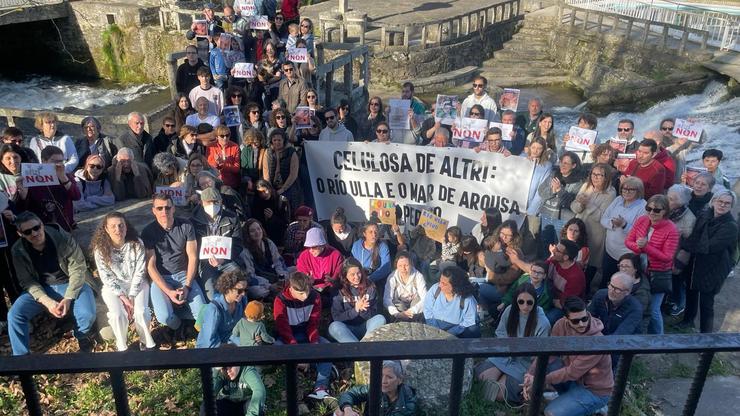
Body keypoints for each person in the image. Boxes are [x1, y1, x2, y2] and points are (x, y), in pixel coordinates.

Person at [8, 212, 96, 355]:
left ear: (42, 225)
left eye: (36, 227)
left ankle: (82, 337)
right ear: (20, 233)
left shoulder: (62, 238)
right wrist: (47, 301)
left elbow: (78, 268)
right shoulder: (18, 250)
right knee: (15, 315)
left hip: (69, 282)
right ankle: (21, 358)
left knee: (87, 313)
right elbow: (27, 281)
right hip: (41, 288)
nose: (34, 233)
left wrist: (68, 298)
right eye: (28, 231)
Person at [522, 297, 613, 416]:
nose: (581, 324)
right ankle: (570, 400)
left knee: (551, 413)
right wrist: (530, 374)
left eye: (584, 318)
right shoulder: (561, 325)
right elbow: (549, 353)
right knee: (545, 365)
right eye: (575, 321)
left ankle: (595, 406)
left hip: (594, 391)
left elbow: (572, 372)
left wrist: (538, 381)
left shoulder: (596, 342)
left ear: (588, 314)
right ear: (566, 319)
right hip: (576, 381)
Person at [142, 194, 205, 341]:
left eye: (167, 207)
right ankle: (180, 326)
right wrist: (169, 292)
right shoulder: (148, 232)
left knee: (202, 313)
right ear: (154, 211)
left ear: (173, 208)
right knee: (165, 317)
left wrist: (187, 286)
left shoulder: (186, 226)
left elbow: (193, 256)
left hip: (183, 274)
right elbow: (151, 266)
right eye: (160, 208)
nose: (164, 211)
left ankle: (202, 338)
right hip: (162, 277)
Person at [91, 212, 157, 351]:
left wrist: (131, 295)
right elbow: (106, 276)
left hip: (137, 283)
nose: (118, 230)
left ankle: (146, 342)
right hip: (113, 287)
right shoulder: (100, 249)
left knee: (141, 311)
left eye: (121, 225)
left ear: (126, 227)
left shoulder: (136, 244)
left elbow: (140, 271)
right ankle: (122, 345)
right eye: (113, 226)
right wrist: (122, 297)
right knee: (117, 314)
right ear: (106, 229)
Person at [476, 284, 550, 404]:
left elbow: (539, 355)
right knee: (482, 378)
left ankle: (506, 387)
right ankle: (495, 384)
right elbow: (500, 332)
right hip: (505, 354)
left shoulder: (543, 323)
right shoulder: (510, 310)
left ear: (535, 302)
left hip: (524, 363)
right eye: (521, 302)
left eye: (529, 302)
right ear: (516, 301)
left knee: (499, 394)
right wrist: (508, 346)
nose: (525, 306)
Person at [678, 190, 738, 333]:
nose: (722, 205)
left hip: (715, 267)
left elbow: (709, 247)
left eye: (727, 203)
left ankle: (706, 337)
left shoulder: (731, 226)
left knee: (706, 303)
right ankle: (687, 321)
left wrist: (687, 244)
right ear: (714, 201)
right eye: (720, 201)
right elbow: (695, 238)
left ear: (731, 206)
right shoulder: (705, 215)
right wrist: (690, 243)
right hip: (697, 261)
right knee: (691, 292)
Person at [273, 272, 334, 399]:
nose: (305, 295)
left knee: (327, 348)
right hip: (287, 338)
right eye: (301, 293)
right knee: (277, 349)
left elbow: (313, 324)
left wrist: (312, 348)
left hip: (307, 335)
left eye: (307, 291)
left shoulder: (315, 297)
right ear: (291, 288)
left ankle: (321, 387)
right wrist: (299, 354)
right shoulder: (280, 300)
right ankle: (292, 384)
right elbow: (283, 329)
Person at [625, 194, 679, 335]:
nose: (651, 213)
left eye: (656, 210)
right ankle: (636, 332)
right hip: (640, 269)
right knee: (636, 303)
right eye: (649, 208)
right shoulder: (642, 220)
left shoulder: (671, 229)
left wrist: (646, 247)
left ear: (665, 211)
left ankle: (658, 339)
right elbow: (628, 241)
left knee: (654, 309)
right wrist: (638, 247)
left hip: (658, 273)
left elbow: (668, 257)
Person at [508, 239, 586, 324]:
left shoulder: (575, 278)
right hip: (549, 296)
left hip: (563, 307)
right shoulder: (554, 260)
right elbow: (537, 269)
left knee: (545, 320)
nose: (553, 251)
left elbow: (565, 304)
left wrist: (548, 299)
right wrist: (517, 260)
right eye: (556, 247)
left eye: (557, 250)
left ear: (566, 257)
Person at [191, 187, 244, 301]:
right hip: (205, 263)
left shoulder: (232, 218)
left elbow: (238, 244)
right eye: (208, 202)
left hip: (226, 261)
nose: (212, 205)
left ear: (221, 201)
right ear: (201, 202)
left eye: (215, 202)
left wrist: (223, 259)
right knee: (211, 294)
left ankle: (242, 312)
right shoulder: (193, 221)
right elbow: (192, 246)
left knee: (240, 286)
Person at [17, 146, 80, 232]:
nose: (59, 164)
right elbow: (26, 207)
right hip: (42, 228)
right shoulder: (32, 179)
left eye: (61, 161)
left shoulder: (67, 176)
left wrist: (63, 178)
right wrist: (23, 195)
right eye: (54, 161)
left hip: (65, 227)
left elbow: (76, 196)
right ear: (43, 161)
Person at [571, 163, 616, 284]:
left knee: (590, 263)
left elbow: (602, 217)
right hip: (579, 231)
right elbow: (574, 207)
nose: (595, 177)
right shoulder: (586, 186)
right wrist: (580, 204)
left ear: (606, 177)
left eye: (600, 175)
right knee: (575, 258)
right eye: (593, 174)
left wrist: (588, 204)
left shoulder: (610, 193)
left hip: (595, 234)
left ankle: (585, 289)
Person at [599, 176, 646, 288]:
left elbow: (639, 234)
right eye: (624, 189)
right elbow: (603, 219)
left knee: (621, 284)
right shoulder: (618, 200)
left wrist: (624, 225)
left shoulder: (643, 207)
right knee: (606, 279)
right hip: (610, 250)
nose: (626, 192)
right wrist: (612, 224)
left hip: (626, 255)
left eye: (631, 189)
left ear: (638, 191)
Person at [329, 258, 387, 342]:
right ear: (345, 275)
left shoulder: (370, 286)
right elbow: (337, 318)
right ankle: (361, 349)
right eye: (352, 274)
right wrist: (355, 310)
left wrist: (364, 310)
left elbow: (374, 313)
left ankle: (362, 347)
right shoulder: (338, 289)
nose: (356, 277)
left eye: (358, 273)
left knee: (380, 318)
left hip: (365, 327)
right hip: (347, 329)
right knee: (334, 326)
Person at [334, 360, 417, 416]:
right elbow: (350, 394)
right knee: (340, 412)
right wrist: (347, 409)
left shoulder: (408, 404)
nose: (383, 381)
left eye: (389, 377)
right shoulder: (375, 388)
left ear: (400, 380)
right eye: (381, 375)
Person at [538, 151, 585, 247]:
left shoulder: (579, 183)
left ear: (574, 165)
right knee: (544, 243)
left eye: (566, 163)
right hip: (547, 215)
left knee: (560, 245)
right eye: (561, 162)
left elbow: (571, 204)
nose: (562, 165)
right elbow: (541, 192)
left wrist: (559, 189)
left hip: (564, 220)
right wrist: (553, 191)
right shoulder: (553, 175)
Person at [478, 220, 524, 313]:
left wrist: (491, 275)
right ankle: (485, 312)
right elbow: (485, 258)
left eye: (508, 235)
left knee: (477, 288)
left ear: (514, 236)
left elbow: (508, 278)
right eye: (502, 233)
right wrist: (481, 256)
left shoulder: (515, 252)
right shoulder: (496, 243)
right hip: (490, 282)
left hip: (502, 290)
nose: (504, 237)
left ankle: (486, 312)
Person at [423, 265, 480, 338]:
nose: (440, 285)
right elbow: (427, 310)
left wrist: (450, 332)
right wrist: (435, 329)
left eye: (444, 284)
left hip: (458, 329)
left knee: (472, 330)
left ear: (456, 285)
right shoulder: (435, 290)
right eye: (440, 281)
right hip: (436, 326)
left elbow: (469, 321)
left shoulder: (467, 299)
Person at [196, 270, 248, 348]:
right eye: (239, 290)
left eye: (245, 290)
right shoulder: (214, 309)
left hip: (231, 337)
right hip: (213, 345)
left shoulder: (242, 301)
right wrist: (229, 347)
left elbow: (245, 324)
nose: (243, 293)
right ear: (228, 289)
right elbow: (208, 341)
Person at [665, 184, 696, 317]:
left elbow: (687, 243)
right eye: (668, 197)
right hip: (666, 251)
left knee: (677, 280)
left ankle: (679, 303)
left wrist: (679, 262)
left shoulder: (689, 218)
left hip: (677, 254)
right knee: (669, 278)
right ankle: (670, 298)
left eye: (672, 199)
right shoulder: (669, 210)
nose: (668, 201)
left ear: (681, 201)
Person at [521, 138, 553, 257]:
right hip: (517, 205)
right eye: (533, 147)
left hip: (534, 208)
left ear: (543, 150)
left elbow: (542, 190)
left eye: (539, 148)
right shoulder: (522, 159)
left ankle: (528, 262)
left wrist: (531, 210)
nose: (535, 151)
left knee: (531, 236)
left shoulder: (547, 166)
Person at [263, 129, 302, 212]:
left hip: (289, 187)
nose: (277, 142)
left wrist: (283, 189)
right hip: (272, 187)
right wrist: (270, 189)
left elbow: (293, 174)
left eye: (279, 140)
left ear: (284, 140)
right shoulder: (267, 152)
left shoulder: (291, 152)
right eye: (274, 140)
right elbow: (266, 172)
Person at [296, 227, 344, 294]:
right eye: (308, 247)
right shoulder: (304, 256)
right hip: (310, 288)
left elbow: (341, 275)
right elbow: (301, 274)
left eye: (314, 247)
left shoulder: (336, 255)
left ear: (322, 245)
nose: (311, 250)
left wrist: (333, 280)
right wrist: (307, 280)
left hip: (331, 288)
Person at [384, 251, 427, 322]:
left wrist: (411, 311)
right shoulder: (392, 278)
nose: (403, 269)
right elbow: (387, 299)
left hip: (414, 306)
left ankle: (415, 324)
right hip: (399, 306)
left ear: (411, 264)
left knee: (418, 302)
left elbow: (425, 298)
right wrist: (396, 313)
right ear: (396, 266)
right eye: (400, 266)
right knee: (399, 306)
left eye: (406, 265)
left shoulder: (418, 276)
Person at [252, 179, 290, 246]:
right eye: (260, 192)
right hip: (264, 238)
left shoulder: (281, 201)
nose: (263, 194)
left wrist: (272, 217)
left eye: (264, 191)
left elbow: (286, 223)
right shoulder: (257, 203)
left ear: (269, 189)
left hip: (279, 237)